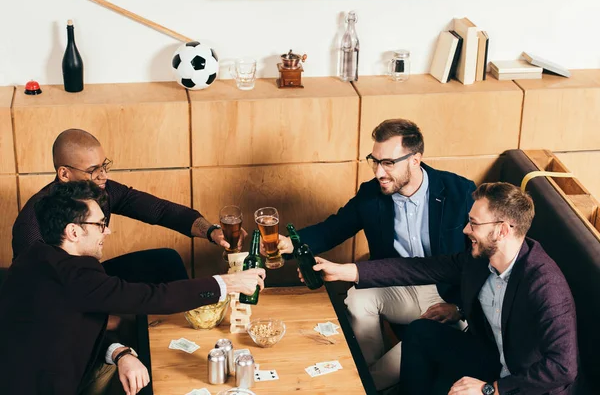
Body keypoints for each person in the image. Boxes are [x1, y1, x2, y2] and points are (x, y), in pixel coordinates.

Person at [300, 182, 578, 395]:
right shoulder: (478, 260)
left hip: (521, 384)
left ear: (503, 230)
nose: (466, 230)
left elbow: (563, 367)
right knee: (421, 331)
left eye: (474, 223)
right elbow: (416, 268)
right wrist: (343, 270)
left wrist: (490, 389)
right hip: (490, 358)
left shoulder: (544, 283)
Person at [0, 180, 265, 395]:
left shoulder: (34, 256)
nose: (107, 232)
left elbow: (67, 327)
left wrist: (120, 352)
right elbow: (149, 297)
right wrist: (227, 283)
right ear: (73, 232)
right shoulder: (75, 272)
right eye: (100, 224)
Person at [277, 118, 476, 390]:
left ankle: (363, 384)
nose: (379, 172)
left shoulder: (459, 191)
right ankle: (369, 377)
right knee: (357, 299)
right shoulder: (372, 194)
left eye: (388, 163)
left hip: (449, 294)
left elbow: (480, 262)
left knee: (392, 366)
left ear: (415, 160)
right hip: (401, 285)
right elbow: (333, 228)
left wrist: (460, 308)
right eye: (375, 161)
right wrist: (291, 243)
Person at [12, 128, 242, 284]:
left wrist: (211, 231)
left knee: (166, 260)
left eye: (104, 166)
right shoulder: (31, 222)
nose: (103, 176)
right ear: (64, 173)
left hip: (92, 277)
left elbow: (160, 210)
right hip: (59, 295)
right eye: (93, 170)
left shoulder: (104, 190)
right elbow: (34, 290)